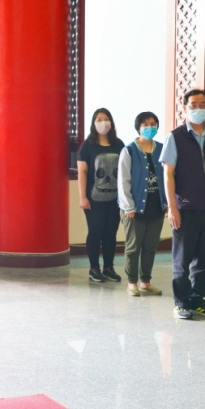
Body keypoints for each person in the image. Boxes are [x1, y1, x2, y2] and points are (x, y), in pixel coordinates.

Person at [160, 89, 205, 320]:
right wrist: (172, 207)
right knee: (182, 259)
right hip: (185, 208)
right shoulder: (176, 137)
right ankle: (181, 302)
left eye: (203, 104)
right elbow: (168, 174)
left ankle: (197, 299)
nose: (198, 108)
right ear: (184, 107)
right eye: (193, 104)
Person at [117, 111, 167, 296]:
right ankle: (132, 282)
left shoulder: (162, 149)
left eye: (153, 124)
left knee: (150, 247)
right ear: (138, 127)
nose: (150, 127)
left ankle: (146, 281)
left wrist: (168, 203)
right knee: (133, 247)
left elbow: (169, 177)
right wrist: (128, 206)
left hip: (156, 206)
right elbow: (123, 181)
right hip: (134, 208)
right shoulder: (129, 150)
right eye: (146, 124)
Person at [77, 108, 125, 283]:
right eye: (99, 119)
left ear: (111, 122)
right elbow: (82, 172)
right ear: (93, 123)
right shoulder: (88, 145)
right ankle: (94, 268)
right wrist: (83, 197)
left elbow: (125, 172)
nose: (103, 122)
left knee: (111, 233)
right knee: (96, 231)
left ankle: (109, 267)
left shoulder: (119, 144)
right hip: (93, 198)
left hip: (116, 199)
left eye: (106, 119)